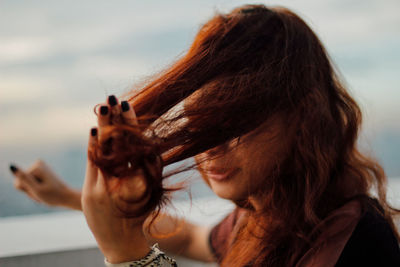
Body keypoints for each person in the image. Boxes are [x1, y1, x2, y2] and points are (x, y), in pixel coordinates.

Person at [9, 4, 400, 267]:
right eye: (202, 121)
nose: (211, 144)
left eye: (235, 120)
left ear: (304, 117)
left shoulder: (356, 243)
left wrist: (129, 253)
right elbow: (192, 237)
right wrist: (72, 199)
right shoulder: (262, 217)